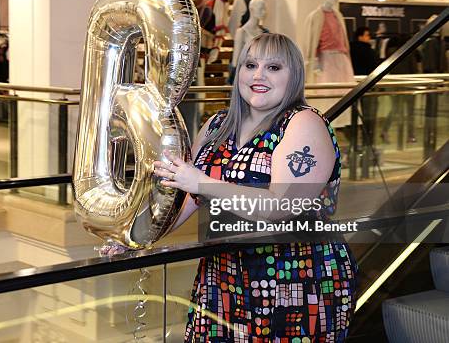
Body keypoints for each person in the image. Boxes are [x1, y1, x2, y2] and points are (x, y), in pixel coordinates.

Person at [152, 33, 358, 342]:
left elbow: (280, 207)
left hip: (296, 281)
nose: (258, 75)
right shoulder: (216, 125)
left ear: (294, 76)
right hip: (224, 274)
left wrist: (202, 182)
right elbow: (187, 197)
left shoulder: (303, 123)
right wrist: (139, 237)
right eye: (250, 65)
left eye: (274, 67)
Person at [350, 26, 380, 145]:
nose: (369, 38)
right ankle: (368, 141)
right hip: (368, 86)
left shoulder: (349, 49)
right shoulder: (368, 50)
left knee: (355, 114)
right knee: (369, 115)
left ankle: (354, 141)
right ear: (360, 36)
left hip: (354, 86)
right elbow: (374, 67)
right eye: (367, 35)